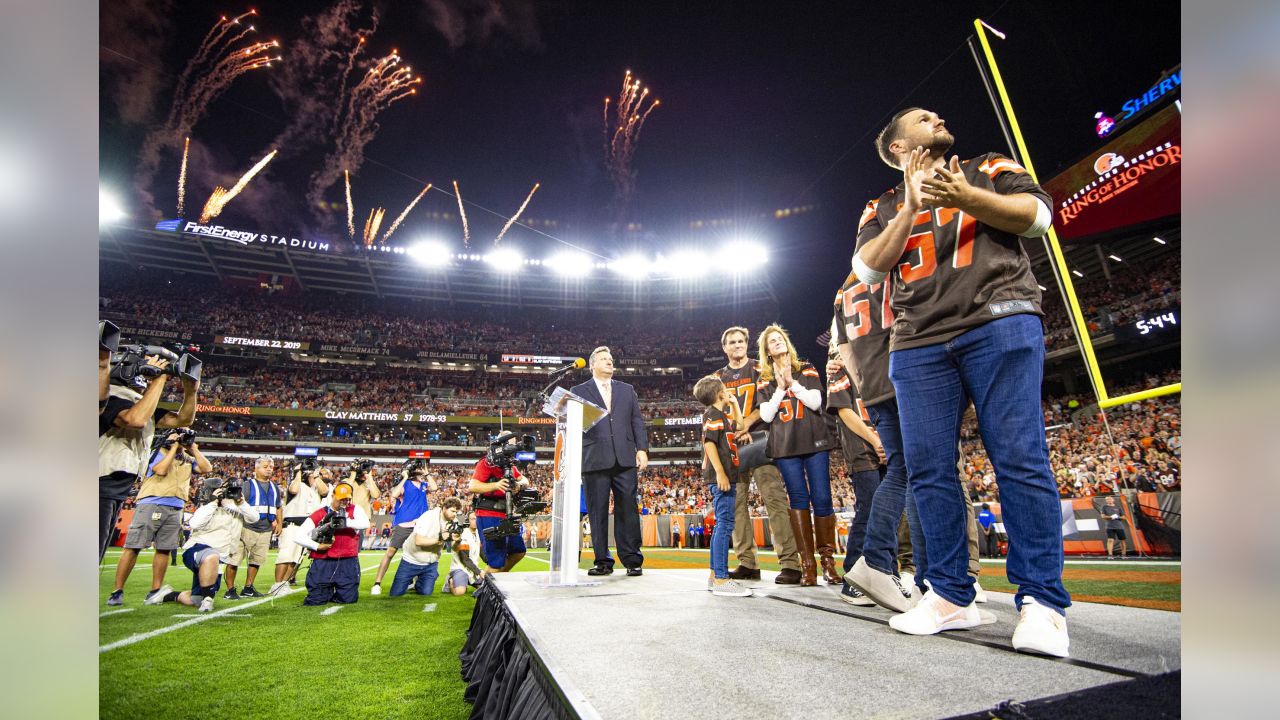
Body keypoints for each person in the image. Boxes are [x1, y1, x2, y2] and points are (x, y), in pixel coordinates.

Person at [850, 108, 1069, 656]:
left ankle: (1042, 602)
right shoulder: (880, 206)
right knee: (927, 470)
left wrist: (963, 197)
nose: (939, 117)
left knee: (1019, 456)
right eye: (923, 119)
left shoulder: (987, 165)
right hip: (919, 338)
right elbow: (870, 269)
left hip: (1001, 316)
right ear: (899, 147)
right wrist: (912, 207)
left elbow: (1039, 216)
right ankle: (949, 595)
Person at [716, 326, 802, 584]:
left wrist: (745, 425)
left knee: (774, 501)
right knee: (737, 507)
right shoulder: (717, 376)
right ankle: (747, 563)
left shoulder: (760, 368)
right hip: (733, 447)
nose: (737, 345)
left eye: (741, 341)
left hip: (762, 441)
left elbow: (765, 405)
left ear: (747, 343)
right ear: (725, 347)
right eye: (732, 342)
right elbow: (716, 412)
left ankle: (790, 563)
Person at [99, 352, 200, 562]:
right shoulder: (111, 395)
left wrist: (191, 390)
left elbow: (183, 419)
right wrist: (160, 378)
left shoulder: (139, 402)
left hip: (115, 485)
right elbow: (135, 419)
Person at [756, 325, 835, 586]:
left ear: (786, 342)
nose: (777, 343)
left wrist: (792, 384)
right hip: (786, 446)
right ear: (766, 350)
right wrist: (780, 389)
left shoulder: (807, 368)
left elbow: (815, 402)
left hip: (814, 441)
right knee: (798, 499)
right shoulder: (764, 379)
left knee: (822, 498)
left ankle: (828, 563)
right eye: (772, 341)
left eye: (780, 339)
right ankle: (808, 566)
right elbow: (766, 416)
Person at [107, 429, 212, 606]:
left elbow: (207, 468)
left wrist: (193, 448)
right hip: (151, 502)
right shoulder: (157, 451)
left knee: (164, 548)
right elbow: (161, 470)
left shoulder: (188, 456)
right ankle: (117, 591)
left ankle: (155, 591)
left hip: (176, 505)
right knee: (133, 547)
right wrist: (173, 447)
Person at [571, 346, 648, 577]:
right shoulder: (578, 390)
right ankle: (602, 561)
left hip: (624, 457)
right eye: (604, 359)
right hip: (594, 458)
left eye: (611, 359)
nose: (609, 362)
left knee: (628, 510)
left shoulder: (627, 390)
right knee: (597, 512)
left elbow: (637, 421)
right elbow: (574, 424)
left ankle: (632, 560)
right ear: (592, 364)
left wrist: (642, 449)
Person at [823, 349, 887, 606]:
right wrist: (875, 440)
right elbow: (844, 411)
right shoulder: (839, 367)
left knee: (888, 514)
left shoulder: (879, 358)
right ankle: (852, 577)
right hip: (863, 447)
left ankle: (885, 573)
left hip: (888, 442)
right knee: (868, 509)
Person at [149, 478, 259, 613]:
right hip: (198, 550)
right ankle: (208, 600)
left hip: (220, 558)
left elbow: (255, 518)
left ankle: (168, 595)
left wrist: (242, 503)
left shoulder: (239, 507)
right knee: (211, 556)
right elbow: (194, 524)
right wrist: (214, 503)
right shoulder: (208, 506)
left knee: (196, 599)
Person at [693, 375, 752, 597]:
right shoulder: (713, 415)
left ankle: (713, 575)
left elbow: (741, 425)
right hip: (722, 475)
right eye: (725, 391)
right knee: (725, 524)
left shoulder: (721, 415)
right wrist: (720, 473)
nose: (729, 393)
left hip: (726, 474)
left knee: (723, 524)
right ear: (719, 394)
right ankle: (720, 577)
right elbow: (709, 444)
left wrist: (735, 405)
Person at [293, 482, 370, 605]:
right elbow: (297, 536)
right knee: (316, 600)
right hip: (323, 560)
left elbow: (365, 523)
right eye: (341, 498)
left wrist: (344, 522)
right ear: (333, 495)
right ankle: (325, 593)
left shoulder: (355, 510)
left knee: (348, 599)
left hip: (347, 560)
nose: (345, 501)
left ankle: (334, 594)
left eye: (347, 499)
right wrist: (317, 546)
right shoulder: (320, 513)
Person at [370, 461, 436, 595]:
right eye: (417, 467)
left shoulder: (424, 484)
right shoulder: (405, 483)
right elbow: (394, 494)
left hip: (420, 525)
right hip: (404, 523)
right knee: (390, 553)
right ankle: (377, 583)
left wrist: (427, 472)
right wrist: (405, 477)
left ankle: (413, 581)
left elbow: (434, 488)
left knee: (417, 553)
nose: (419, 469)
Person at [467, 432, 530, 573]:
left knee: (519, 551)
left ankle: (495, 580)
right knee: (496, 562)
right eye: (511, 444)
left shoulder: (510, 466)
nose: (514, 448)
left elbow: (525, 480)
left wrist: (519, 486)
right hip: (488, 513)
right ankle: (485, 590)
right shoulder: (486, 463)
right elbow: (472, 486)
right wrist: (495, 485)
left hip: (506, 514)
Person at [223, 457, 282, 599]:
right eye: (265, 466)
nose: (269, 469)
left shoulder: (275, 487)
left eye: (271, 467)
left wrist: (279, 523)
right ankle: (230, 590)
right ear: (256, 469)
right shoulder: (247, 485)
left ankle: (248, 587)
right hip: (245, 527)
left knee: (257, 560)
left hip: (266, 528)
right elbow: (235, 504)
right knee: (234, 559)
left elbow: (278, 506)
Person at [271, 462, 330, 595]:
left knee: (296, 559)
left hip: (306, 528)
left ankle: (284, 584)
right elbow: (293, 490)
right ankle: (277, 584)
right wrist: (298, 472)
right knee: (285, 556)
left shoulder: (316, 487)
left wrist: (315, 476)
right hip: (292, 525)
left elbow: (325, 491)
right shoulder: (297, 484)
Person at [389, 497, 465, 597]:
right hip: (412, 560)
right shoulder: (428, 516)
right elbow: (419, 541)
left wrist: (458, 540)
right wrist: (440, 538)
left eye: (457, 512)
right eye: (453, 511)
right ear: (444, 508)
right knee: (395, 594)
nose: (455, 514)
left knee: (425, 592)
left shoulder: (454, 522)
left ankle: (419, 583)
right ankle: (410, 580)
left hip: (431, 563)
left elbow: (454, 549)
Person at [444, 511, 485, 596]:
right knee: (460, 592)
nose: (476, 521)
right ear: (468, 521)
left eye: (477, 519)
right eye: (473, 519)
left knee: (486, 588)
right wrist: (479, 572)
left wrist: (492, 564)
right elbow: (465, 559)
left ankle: (468, 581)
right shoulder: (463, 534)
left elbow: (482, 553)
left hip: (472, 568)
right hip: (460, 568)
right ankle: (450, 581)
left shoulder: (479, 533)